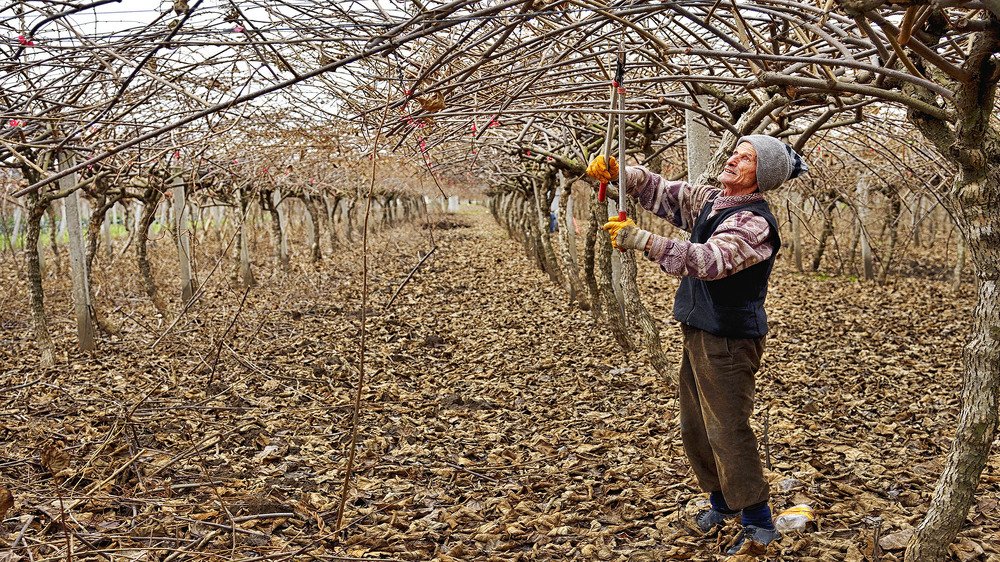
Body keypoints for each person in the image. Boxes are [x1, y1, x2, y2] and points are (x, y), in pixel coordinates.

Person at [586, 135, 807, 556]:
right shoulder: (714, 201)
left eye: (746, 159)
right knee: (695, 427)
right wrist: (621, 174)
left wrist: (643, 241)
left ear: (760, 176)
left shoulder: (754, 222)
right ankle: (722, 503)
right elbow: (664, 191)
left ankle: (758, 520)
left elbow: (710, 261)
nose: (733, 160)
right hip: (700, 329)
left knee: (728, 430)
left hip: (729, 339)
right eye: (736, 151)